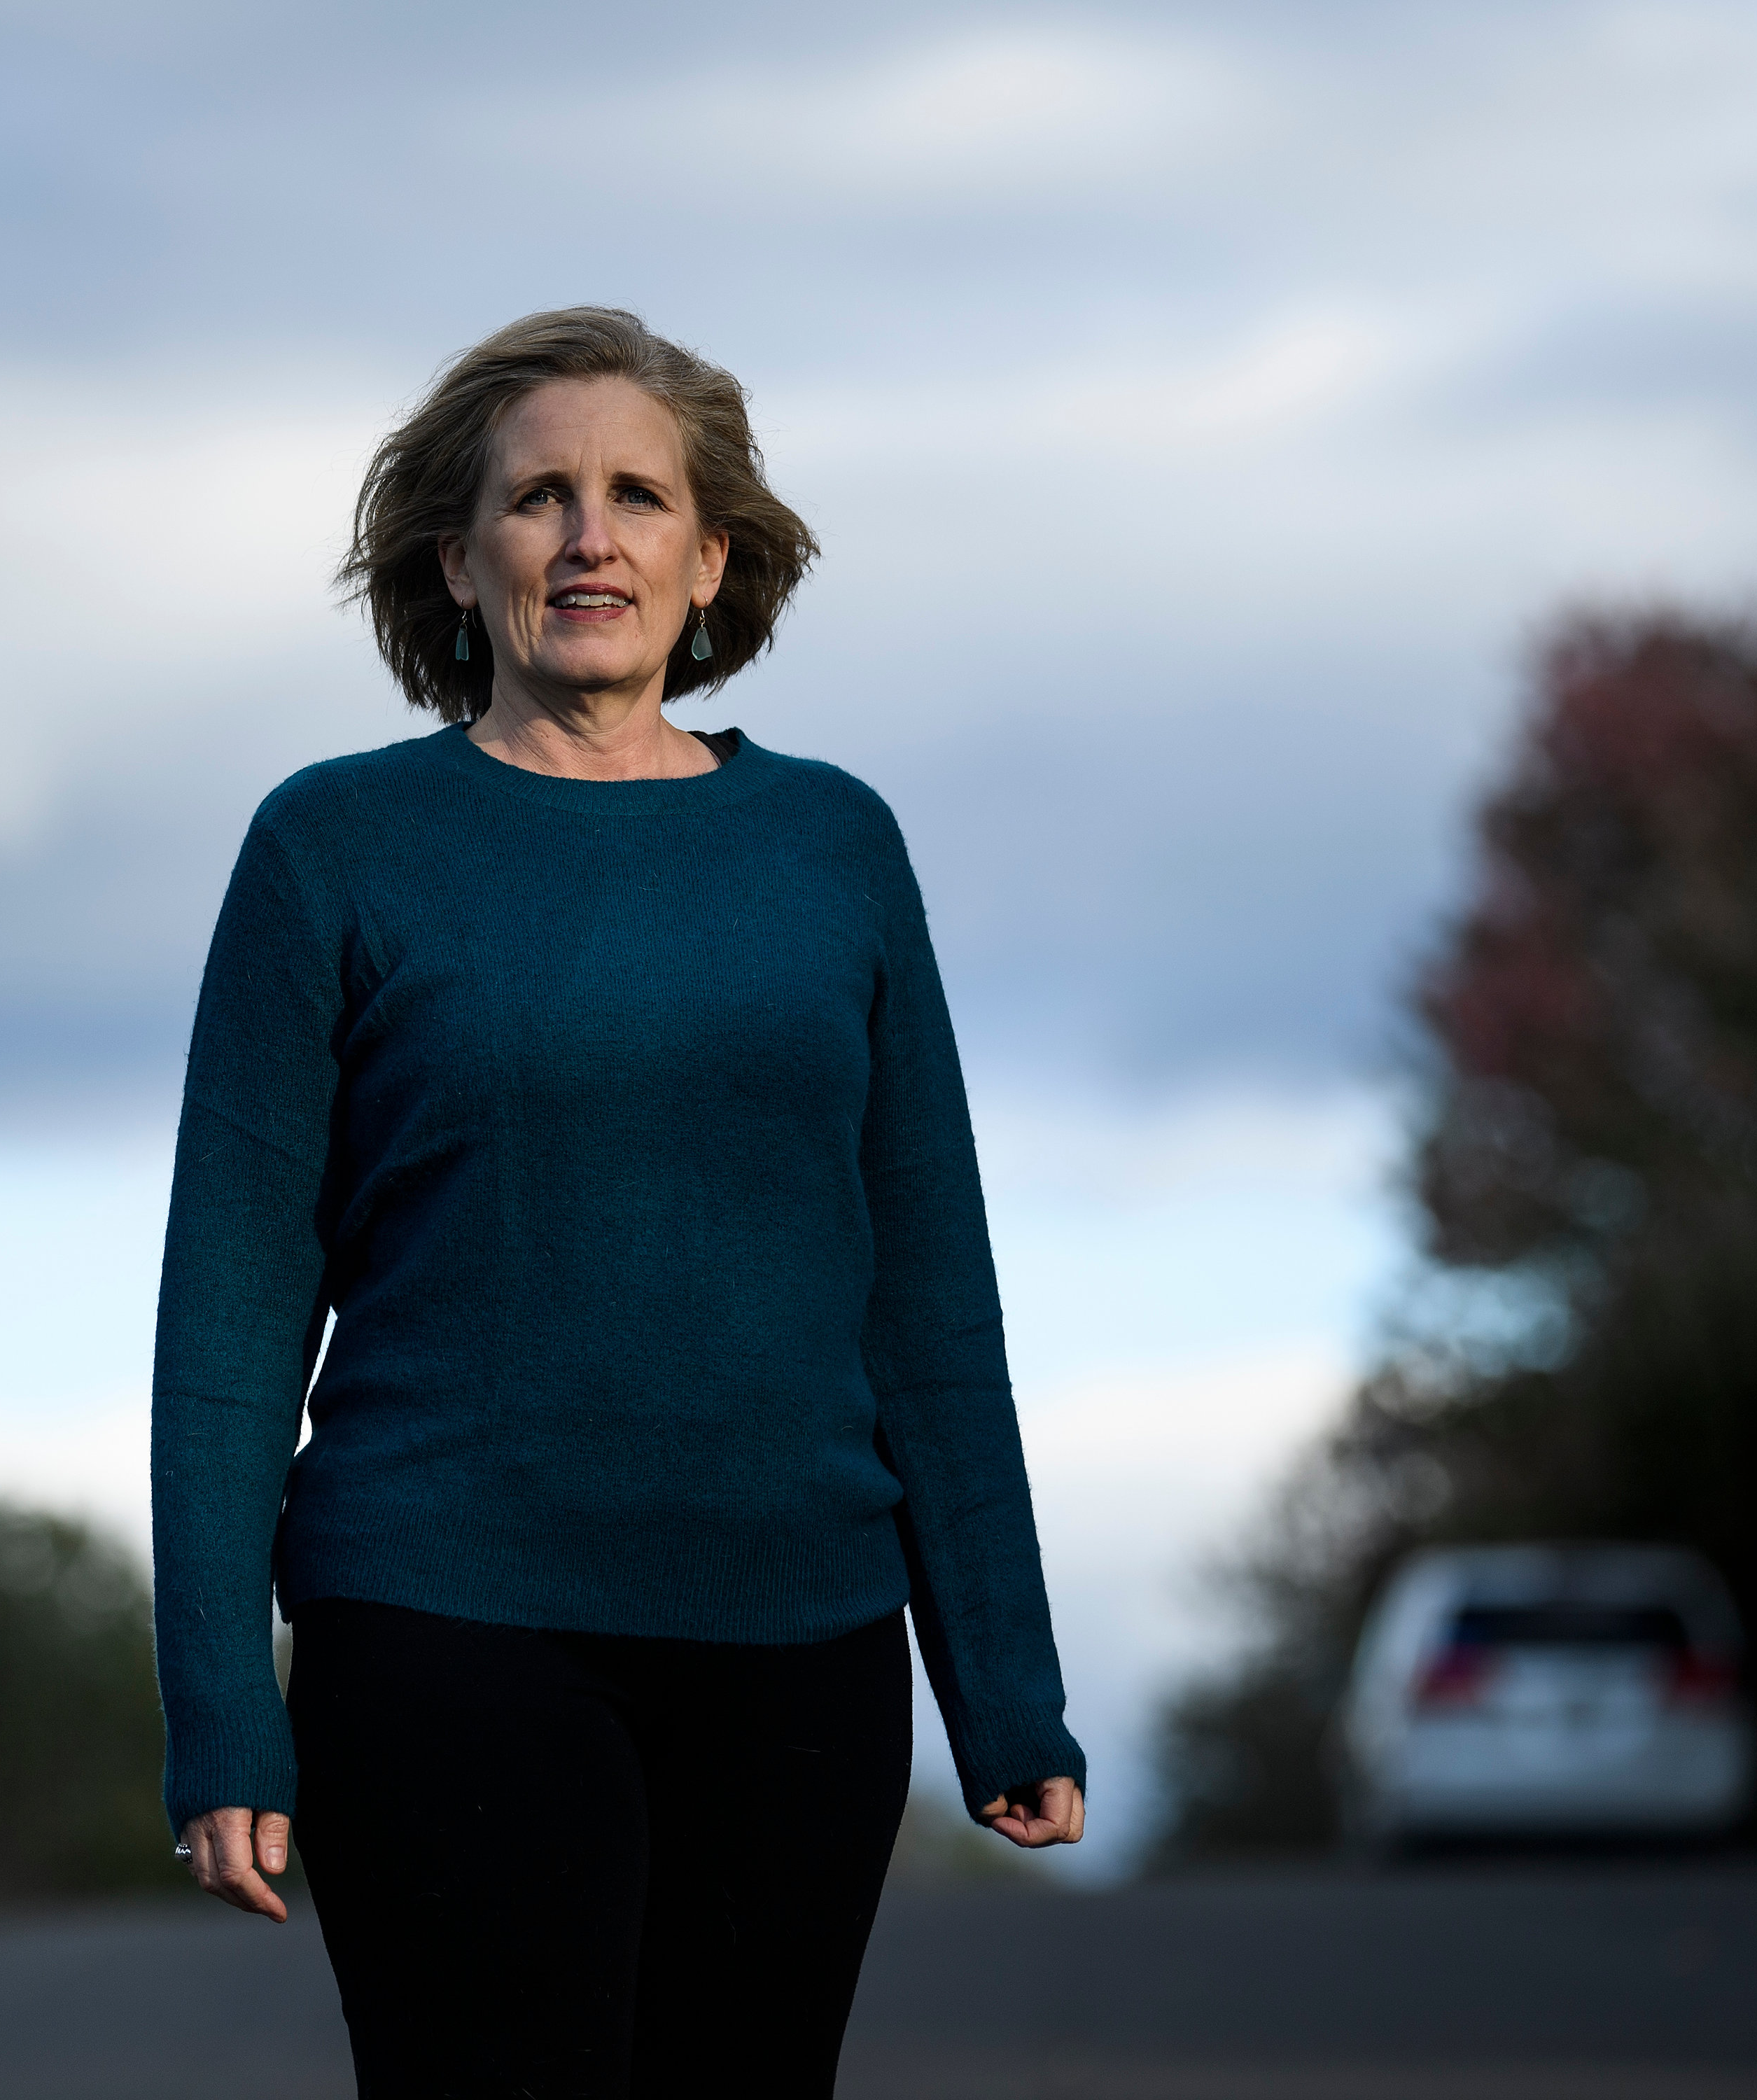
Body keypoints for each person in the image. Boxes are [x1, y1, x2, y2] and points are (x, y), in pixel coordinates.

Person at [152, 306, 1083, 2099]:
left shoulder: (835, 848)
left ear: (711, 556)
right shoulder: (331, 851)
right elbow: (230, 1318)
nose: (591, 537)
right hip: (442, 1635)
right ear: (458, 555)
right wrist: (221, 1714)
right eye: (539, 499)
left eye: (640, 497)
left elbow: (930, 1303)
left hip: (801, 1645)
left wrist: (1006, 1680)